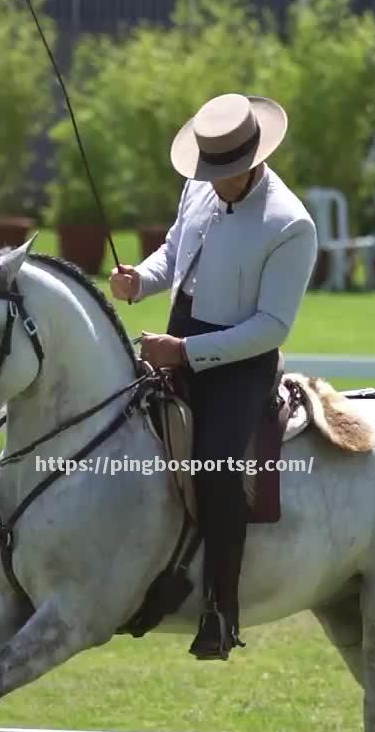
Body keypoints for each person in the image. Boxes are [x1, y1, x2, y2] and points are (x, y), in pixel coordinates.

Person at [110, 93, 317, 660]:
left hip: (239, 366)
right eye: (209, 170)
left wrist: (185, 351)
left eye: (223, 171)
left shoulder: (290, 224)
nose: (213, 180)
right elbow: (175, 252)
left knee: (220, 470)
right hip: (176, 340)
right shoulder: (198, 187)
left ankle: (220, 610)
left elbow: (271, 327)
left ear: (253, 161)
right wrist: (139, 280)